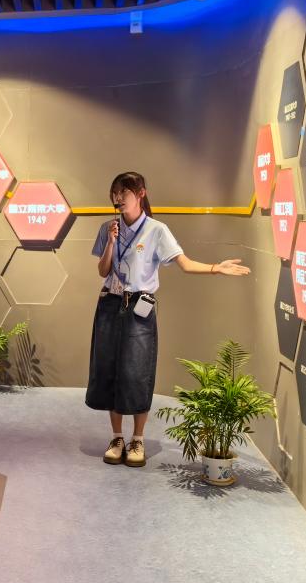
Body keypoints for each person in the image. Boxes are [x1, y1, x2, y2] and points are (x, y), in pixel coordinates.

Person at [88, 171, 250, 468]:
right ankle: (117, 437)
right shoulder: (107, 228)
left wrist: (216, 267)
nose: (118, 198)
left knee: (137, 371)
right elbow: (102, 271)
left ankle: (137, 439)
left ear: (141, 194)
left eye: (124, 192)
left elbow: (185, 264)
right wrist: (111, 242)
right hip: (110, 305)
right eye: (115, 193)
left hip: (139, 308)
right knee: (111, 370)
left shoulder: (156, 230)